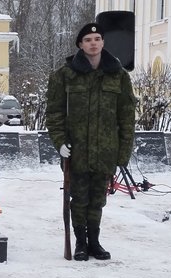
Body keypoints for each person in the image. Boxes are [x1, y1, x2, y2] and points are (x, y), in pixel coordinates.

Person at [45, 22, 136, 261]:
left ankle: (95, 241)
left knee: (98, 200)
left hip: (106, 150)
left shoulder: (118, 75)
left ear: (103, 43)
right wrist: (60, 142)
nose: (93, 43)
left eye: (97, 39)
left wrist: (122, 153)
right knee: (79, 199)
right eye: (88, 40)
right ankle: (81, 243)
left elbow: (127, 116)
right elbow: (54, 114)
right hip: (77, 151)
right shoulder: (64, 76)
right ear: (80, 45)